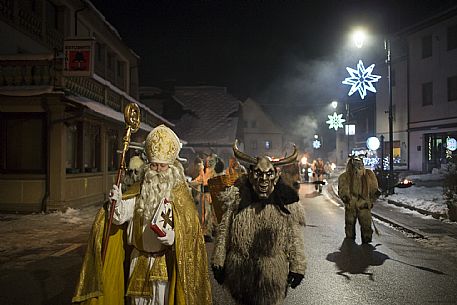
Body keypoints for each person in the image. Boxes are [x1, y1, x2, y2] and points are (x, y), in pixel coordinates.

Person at [72, 124, 212, 305]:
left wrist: (173, 238)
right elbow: (119, 218)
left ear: (171, 167)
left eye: (162, 166)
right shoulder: (140, 191)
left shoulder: (180, 196)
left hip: (164, 262)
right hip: (138, 260)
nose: (157, 170)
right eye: (153, 165)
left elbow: (190, 233)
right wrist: (117, 202)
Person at [211, 142, 306, 305]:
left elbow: (293, 236)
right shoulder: (237, 198)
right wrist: (219, 260)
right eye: (258, 174)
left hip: (272, 274)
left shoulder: (285, 202)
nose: (263, 180)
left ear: (275, 176)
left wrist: (297, 267)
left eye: (268, 174)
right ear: (250, 175)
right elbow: (224, 230)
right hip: (241, 272)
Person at [338, 155, 380, 244]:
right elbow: (343, 189)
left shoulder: (368, 175)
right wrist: (347, 199)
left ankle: (367, 240)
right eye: (356, 162)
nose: (358, 165)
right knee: (350, 224)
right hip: (351, 204)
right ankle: (350, 243)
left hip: (364, 204)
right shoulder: (345, 176)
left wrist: (371, 199)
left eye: (359, 162)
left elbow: (373, 188)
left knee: (366, 225)